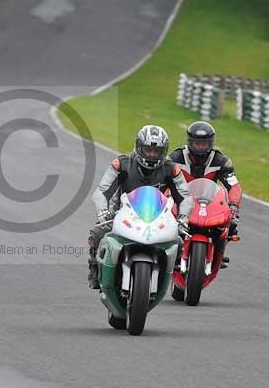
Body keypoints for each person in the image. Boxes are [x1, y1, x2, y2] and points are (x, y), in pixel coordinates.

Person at [87, 125, 193, 289]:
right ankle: (95, 268)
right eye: (147, 150)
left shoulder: (172, 169)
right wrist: (103, 212)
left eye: (156, 151)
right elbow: (101, 191)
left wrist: (183, 218)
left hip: (158, 216)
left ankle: (173, 269)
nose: (152, 154)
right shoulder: (121, 164)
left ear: (164, 152)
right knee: (98, 232)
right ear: (138, 147)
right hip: (122, 214)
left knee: (179, 239)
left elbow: (185, 196)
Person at [169, 121, 242, 268]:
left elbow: (234, 186)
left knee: (232, 223)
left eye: (204, 144)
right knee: (167, 221)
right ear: (189, 142)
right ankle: (168, 249)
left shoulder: (222, 161)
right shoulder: (176, 157)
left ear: (211, 143)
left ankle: (219, 254)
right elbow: (164, 180)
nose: (200, 147)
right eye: (197, 143)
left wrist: (233, 204)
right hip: (182, 202)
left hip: (208, 203)